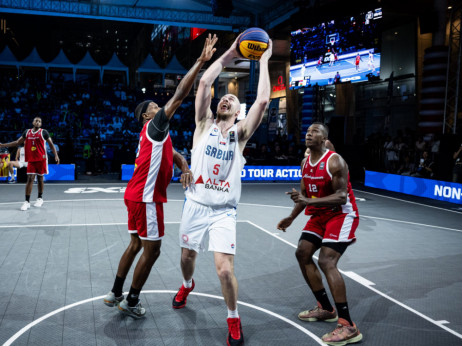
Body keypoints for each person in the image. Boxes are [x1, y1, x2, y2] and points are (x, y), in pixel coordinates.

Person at [102, 34, 218, 319]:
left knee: (135, 244)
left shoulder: (156, 135)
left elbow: (175, 153)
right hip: (147, 198)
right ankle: (130, 300)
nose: (158, 106)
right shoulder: (155, 125)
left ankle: (115, 292)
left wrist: (185, 167)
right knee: (152, 251)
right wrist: (201, 62)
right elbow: (179, 95)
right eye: (154, 105)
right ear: (147, 117)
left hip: (135, 196)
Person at [172, 35, 272, 345]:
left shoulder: (240, 135)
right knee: (187, 257)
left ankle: (233, 319)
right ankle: (187, 284)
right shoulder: (203, 125)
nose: (225, 100)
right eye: (224, 99)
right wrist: (230, 53)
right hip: (195, 205)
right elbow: (203, 86)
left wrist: (265, 61)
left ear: (237, 112)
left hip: (224, 212)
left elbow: (263, 102)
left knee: (224, 270)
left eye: (232, 101)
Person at [277, 122, 362, 346]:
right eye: (307, 131)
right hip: (320, 216)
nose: (308, 134)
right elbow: (304, 195)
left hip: (341, 215)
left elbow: (342, 196)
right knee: (302, 253)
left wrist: (307, 201)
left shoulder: (335, 161)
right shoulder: (305, 163)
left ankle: (348, 325)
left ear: (324, 140)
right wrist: (291, 217)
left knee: (326, 261)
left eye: (314, 132)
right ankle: (325, 308)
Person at [0, 117, 60, 210]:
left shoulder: (44, 132)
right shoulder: (27, 132)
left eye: (40, 121)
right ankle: (27, 202)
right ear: (33, 122)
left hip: (41, 159)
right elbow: (17, 142)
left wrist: (56, 155)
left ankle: (40, 198)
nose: (38, 122)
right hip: (31, 160)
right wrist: (3, 145)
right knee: (30, 178)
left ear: (41, 124)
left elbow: (51, 145)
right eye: (36, 120)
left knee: (40, 178)